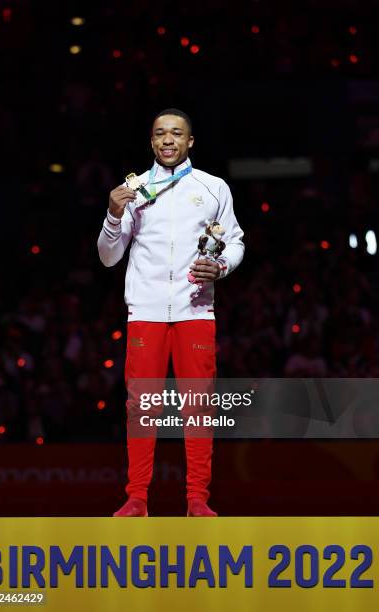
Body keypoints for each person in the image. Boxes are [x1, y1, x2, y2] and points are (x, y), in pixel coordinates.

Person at [97, 108, 245, 516]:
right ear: (151, 141)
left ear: (189, 141)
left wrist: (221, 266)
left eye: (176, 133)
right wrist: (112, 214)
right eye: (160, 133)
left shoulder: (213, 188)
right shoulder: (133, 191)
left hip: (195, 310)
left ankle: (197, 499)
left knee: (197, 406)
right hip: (145, 311)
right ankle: (137, 499)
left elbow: (235, 242)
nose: (168, 140)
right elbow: (109, 257)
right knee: (142, 406)